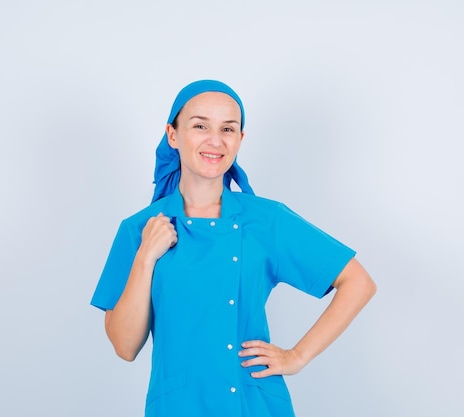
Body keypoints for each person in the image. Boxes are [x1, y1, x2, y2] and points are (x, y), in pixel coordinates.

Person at [91, 80, 376, 417]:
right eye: (200, 126)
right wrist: (145, 257)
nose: (215, 140)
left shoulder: (266, 220)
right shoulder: (139, 230)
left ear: (240, 139)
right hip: (178, 406)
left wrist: (297, 356)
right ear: (172, 134)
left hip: (254, 404)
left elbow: (358, 282)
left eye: (228, 128)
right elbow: (125, 347)